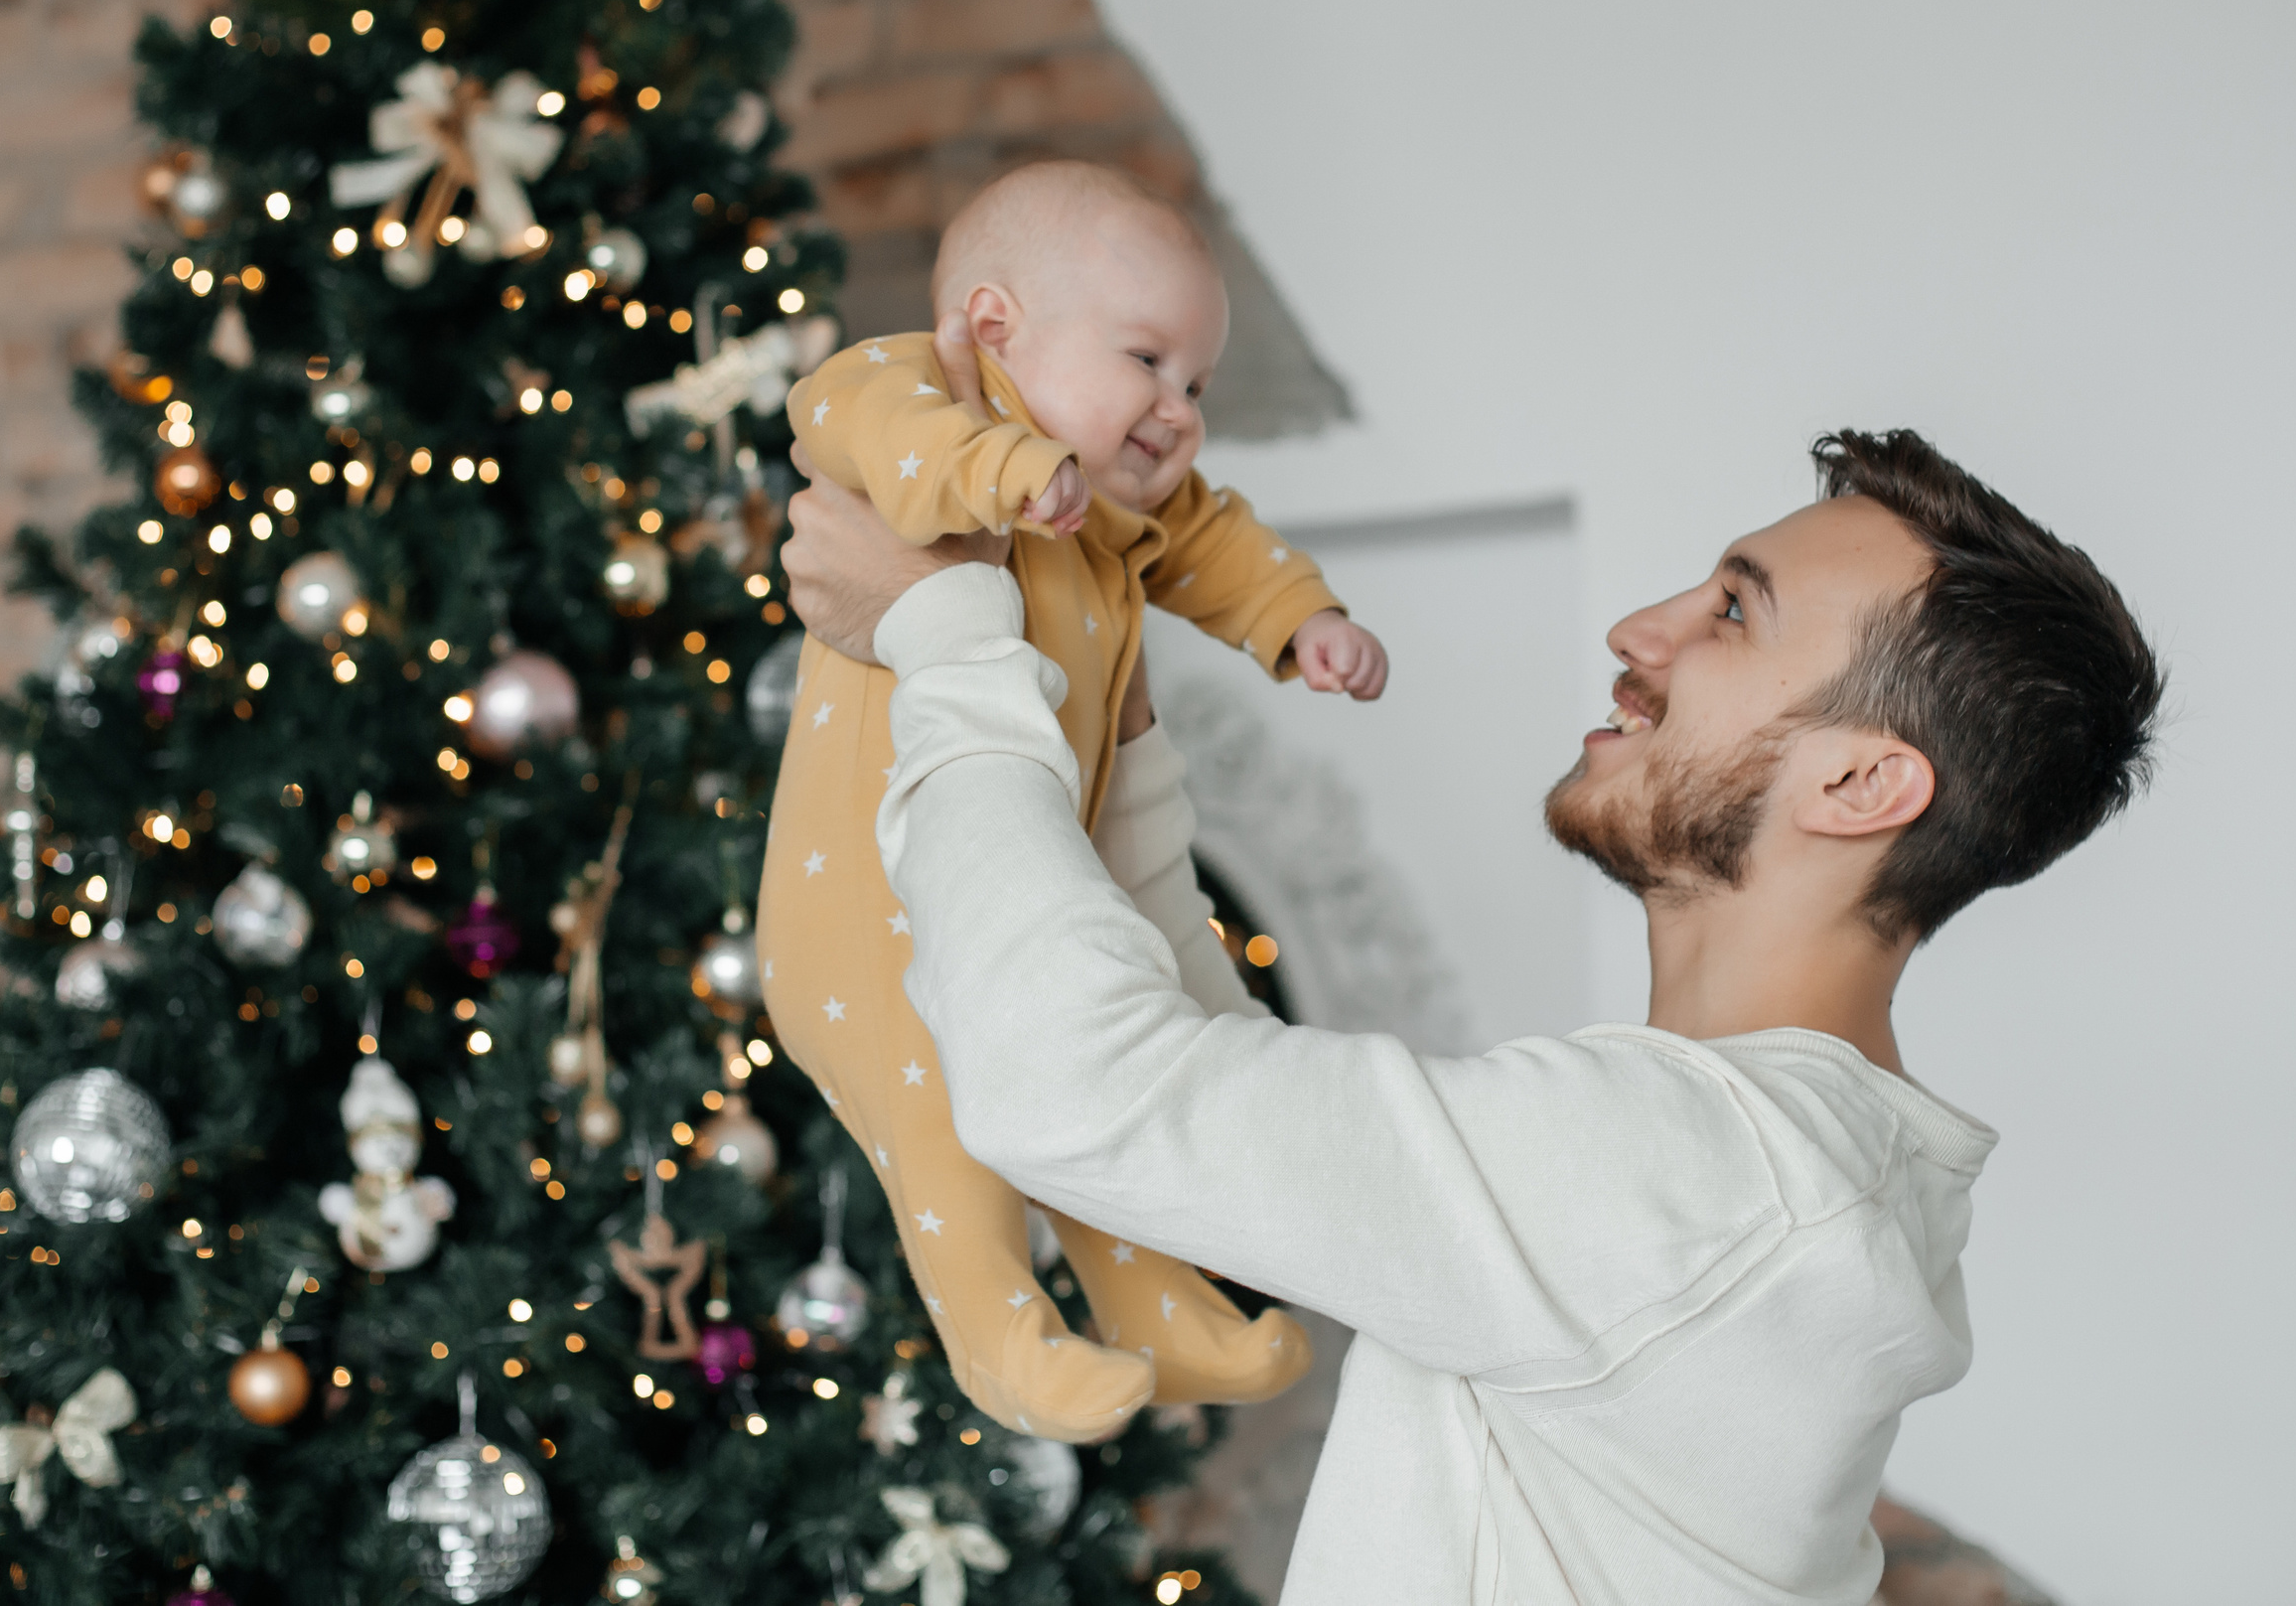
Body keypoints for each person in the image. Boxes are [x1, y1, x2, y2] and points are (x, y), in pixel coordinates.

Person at [783, 364, 2163, 1602]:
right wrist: (1126, 753)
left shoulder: (1695, 1178)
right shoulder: (1781, 1178)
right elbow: (1217, 1093)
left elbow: (1076, 1090)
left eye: (1734, 613)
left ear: (1865, 783)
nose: (1641, 628)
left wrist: (949, 645)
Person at [757, 162, 1386, 1441]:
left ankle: (1159, 1309)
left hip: (1016, 891)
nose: (1180, 412)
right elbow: (838, 418)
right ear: (996, 332)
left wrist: (1301, 619)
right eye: (1149, 361)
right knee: (950, 1125)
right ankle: (998, 1335)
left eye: (1198, 384)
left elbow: (1218, 541)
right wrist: (992, 467)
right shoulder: (912, 392)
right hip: (867, 917)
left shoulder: (1112, 515)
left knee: (1090, 1083)